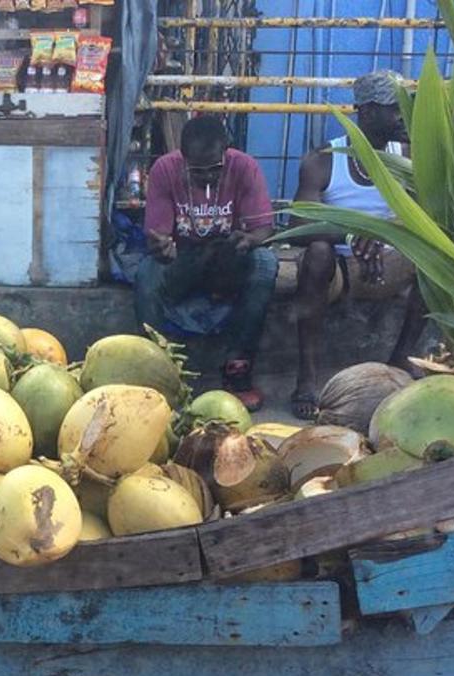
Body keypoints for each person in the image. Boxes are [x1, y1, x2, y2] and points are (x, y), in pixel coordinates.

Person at [289, 70, 427, 420]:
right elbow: (298, 225)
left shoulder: (408, 156)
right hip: (342, 266)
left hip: (390, 260)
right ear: (366, 112)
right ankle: (307, 375)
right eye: (394, 108)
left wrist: (382, 233)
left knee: (435, 259)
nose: (403, 117)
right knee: (316, 255)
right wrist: (353, 234)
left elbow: (429, 215)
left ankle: (401, 356)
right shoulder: (323, 160)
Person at [137, 115, 278, 410]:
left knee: (265, 263)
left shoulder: (243, 166)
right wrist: (161, 246)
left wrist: (250, 240)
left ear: (225, 152)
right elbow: (157, 235)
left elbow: (264, 228)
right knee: (146, 274)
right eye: (197, 171)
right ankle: (158, 369)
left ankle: (238, 368)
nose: (207, 177)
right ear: (183, 158)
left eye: (214, 169)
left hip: (229, 257)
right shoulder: (165, 169)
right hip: (184, 259)